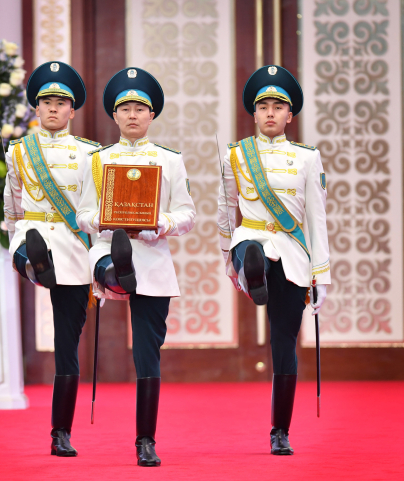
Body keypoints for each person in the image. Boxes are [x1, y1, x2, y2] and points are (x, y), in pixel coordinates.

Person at [76, 67, 196, 467]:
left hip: (152, 255)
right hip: (108, 246)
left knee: (148, 354)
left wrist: (160, 224)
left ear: (151, 115)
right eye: (125, 108)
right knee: (111, 267)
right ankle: (116, 272)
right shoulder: (97, 160)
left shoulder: (170, 161)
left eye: (140, 109)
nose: (132, 115)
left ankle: (146, 440)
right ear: (114, 115)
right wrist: (100, 220)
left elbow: (187, 214)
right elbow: (82, 214)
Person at [217, 65, 331, 455]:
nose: (270, 112)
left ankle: (280, 430)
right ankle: (253, 271)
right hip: (249, 238)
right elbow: (225, 211)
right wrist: (227, 258)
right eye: (263, 106)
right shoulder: (236, 154)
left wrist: (321, 275)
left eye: (277, 107)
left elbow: (317, 219)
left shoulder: (307, 158)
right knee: (251, 251)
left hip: (293, 253)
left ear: (289, 115)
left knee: (284, 344)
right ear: (254, 113)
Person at [3, 61, 100, 457]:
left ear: (72, 110)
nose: (54, 108)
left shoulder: (90, 153)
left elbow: (94, 208)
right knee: (29, 249)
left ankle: (61, 432)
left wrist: (97, 255)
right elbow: (12, 205)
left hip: (73, 246)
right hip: (33, 232)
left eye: (61, 103)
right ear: (36, 108)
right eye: (47, 102)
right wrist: (14, 242)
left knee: (66, 343)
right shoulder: (18, 151)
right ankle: (32, 262)